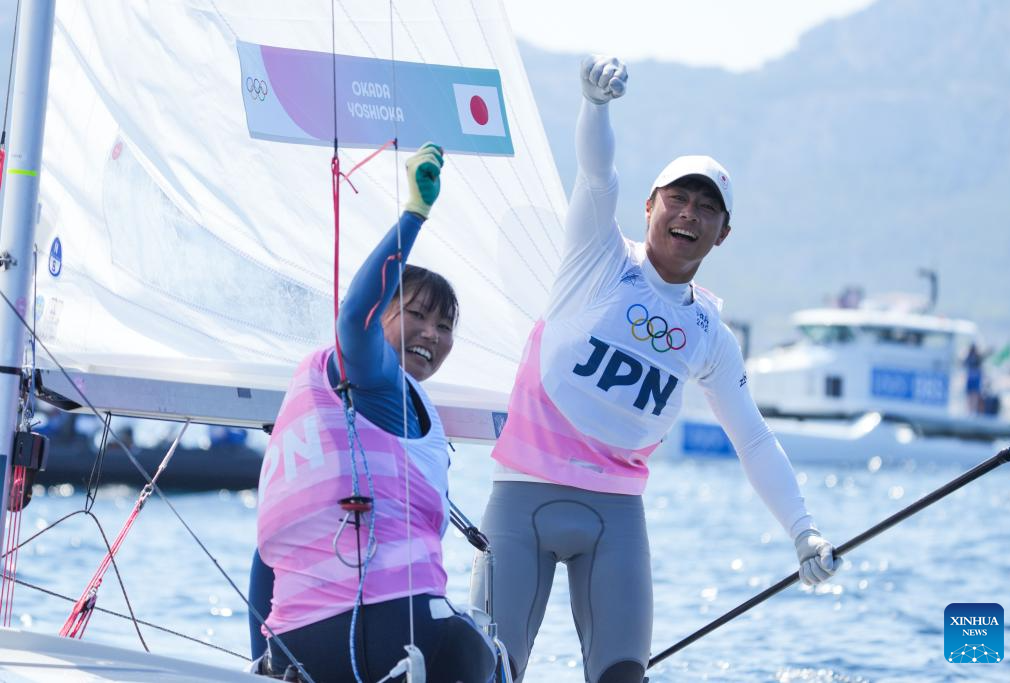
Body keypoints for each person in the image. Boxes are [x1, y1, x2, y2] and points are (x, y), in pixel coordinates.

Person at [471, 56, 837, 683]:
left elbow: (753, 439)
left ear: (723, 234)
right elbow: (597, 174)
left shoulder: (711, 336)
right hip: (522, 500)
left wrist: (803, 533)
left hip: (614, 518)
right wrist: (595, 105)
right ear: (649, 207)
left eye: (706, 208)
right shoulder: (598, 257)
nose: (689, 214)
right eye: (678, 199)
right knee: (488, 672)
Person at [250, 143, 496, 683]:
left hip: (293, 649)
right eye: (416, 315)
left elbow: (267, 556)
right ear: (382, 314)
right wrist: (415, 214)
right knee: (486, 648)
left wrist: (259, 664)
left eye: (445, 326)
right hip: (391, 632)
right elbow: (353, 318)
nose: (432, 334)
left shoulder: (319, 392)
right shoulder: (375, 376)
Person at [964, 342, 985, 414]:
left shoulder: (977, 358)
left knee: (974, 395)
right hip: (971, 379)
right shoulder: (969, 358)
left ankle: (972, 409)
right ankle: (970, 409)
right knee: (971, 395)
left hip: (974, 379)